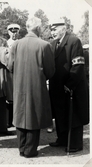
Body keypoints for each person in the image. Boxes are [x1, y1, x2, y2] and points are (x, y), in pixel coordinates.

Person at [8, 16, 55, 158]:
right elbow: (50, 70)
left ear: (27, 27)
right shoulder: (45, 45)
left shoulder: (16, 44)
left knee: (21, 115)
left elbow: (10, 66)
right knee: (34, 116)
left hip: (19, 87)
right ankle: (30, 150)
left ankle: (22, 149)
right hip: (36, 87)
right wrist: (40, 78)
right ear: (38, 28)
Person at [49, 19, 89, 153]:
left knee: (74, 115)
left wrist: (69, 84)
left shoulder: (74, 41)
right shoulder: (54, 43)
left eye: (55, 29)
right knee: (60, 113)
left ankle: (75, 144)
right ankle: (62, 139)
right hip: (57, 86)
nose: (52, 32)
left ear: (64, 28)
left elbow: (78, 65)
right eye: (51, 29)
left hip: (72, 86)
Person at [6, 23, 20, 128]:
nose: (14, 34)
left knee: (18, 95)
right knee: (10, 96)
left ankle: (17, 119)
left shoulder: (21, 43)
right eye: (12, 31)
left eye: (16, 31)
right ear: (8, 32)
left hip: (19, 72)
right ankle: (8, 120)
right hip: (9, 72)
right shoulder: (6, 43)